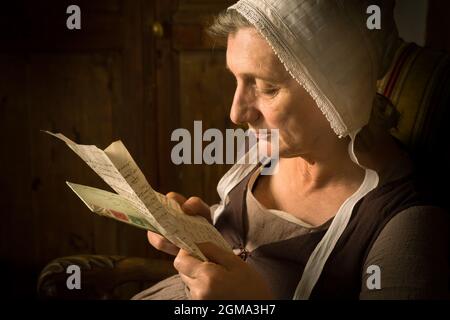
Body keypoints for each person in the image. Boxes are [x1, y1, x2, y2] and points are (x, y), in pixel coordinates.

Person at [133, 0, 449, 300]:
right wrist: (203, 229)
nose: (237, 113)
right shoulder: (276, 149)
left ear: (335, 91)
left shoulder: (408, 229)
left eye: (267, 88)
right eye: (237, 80)